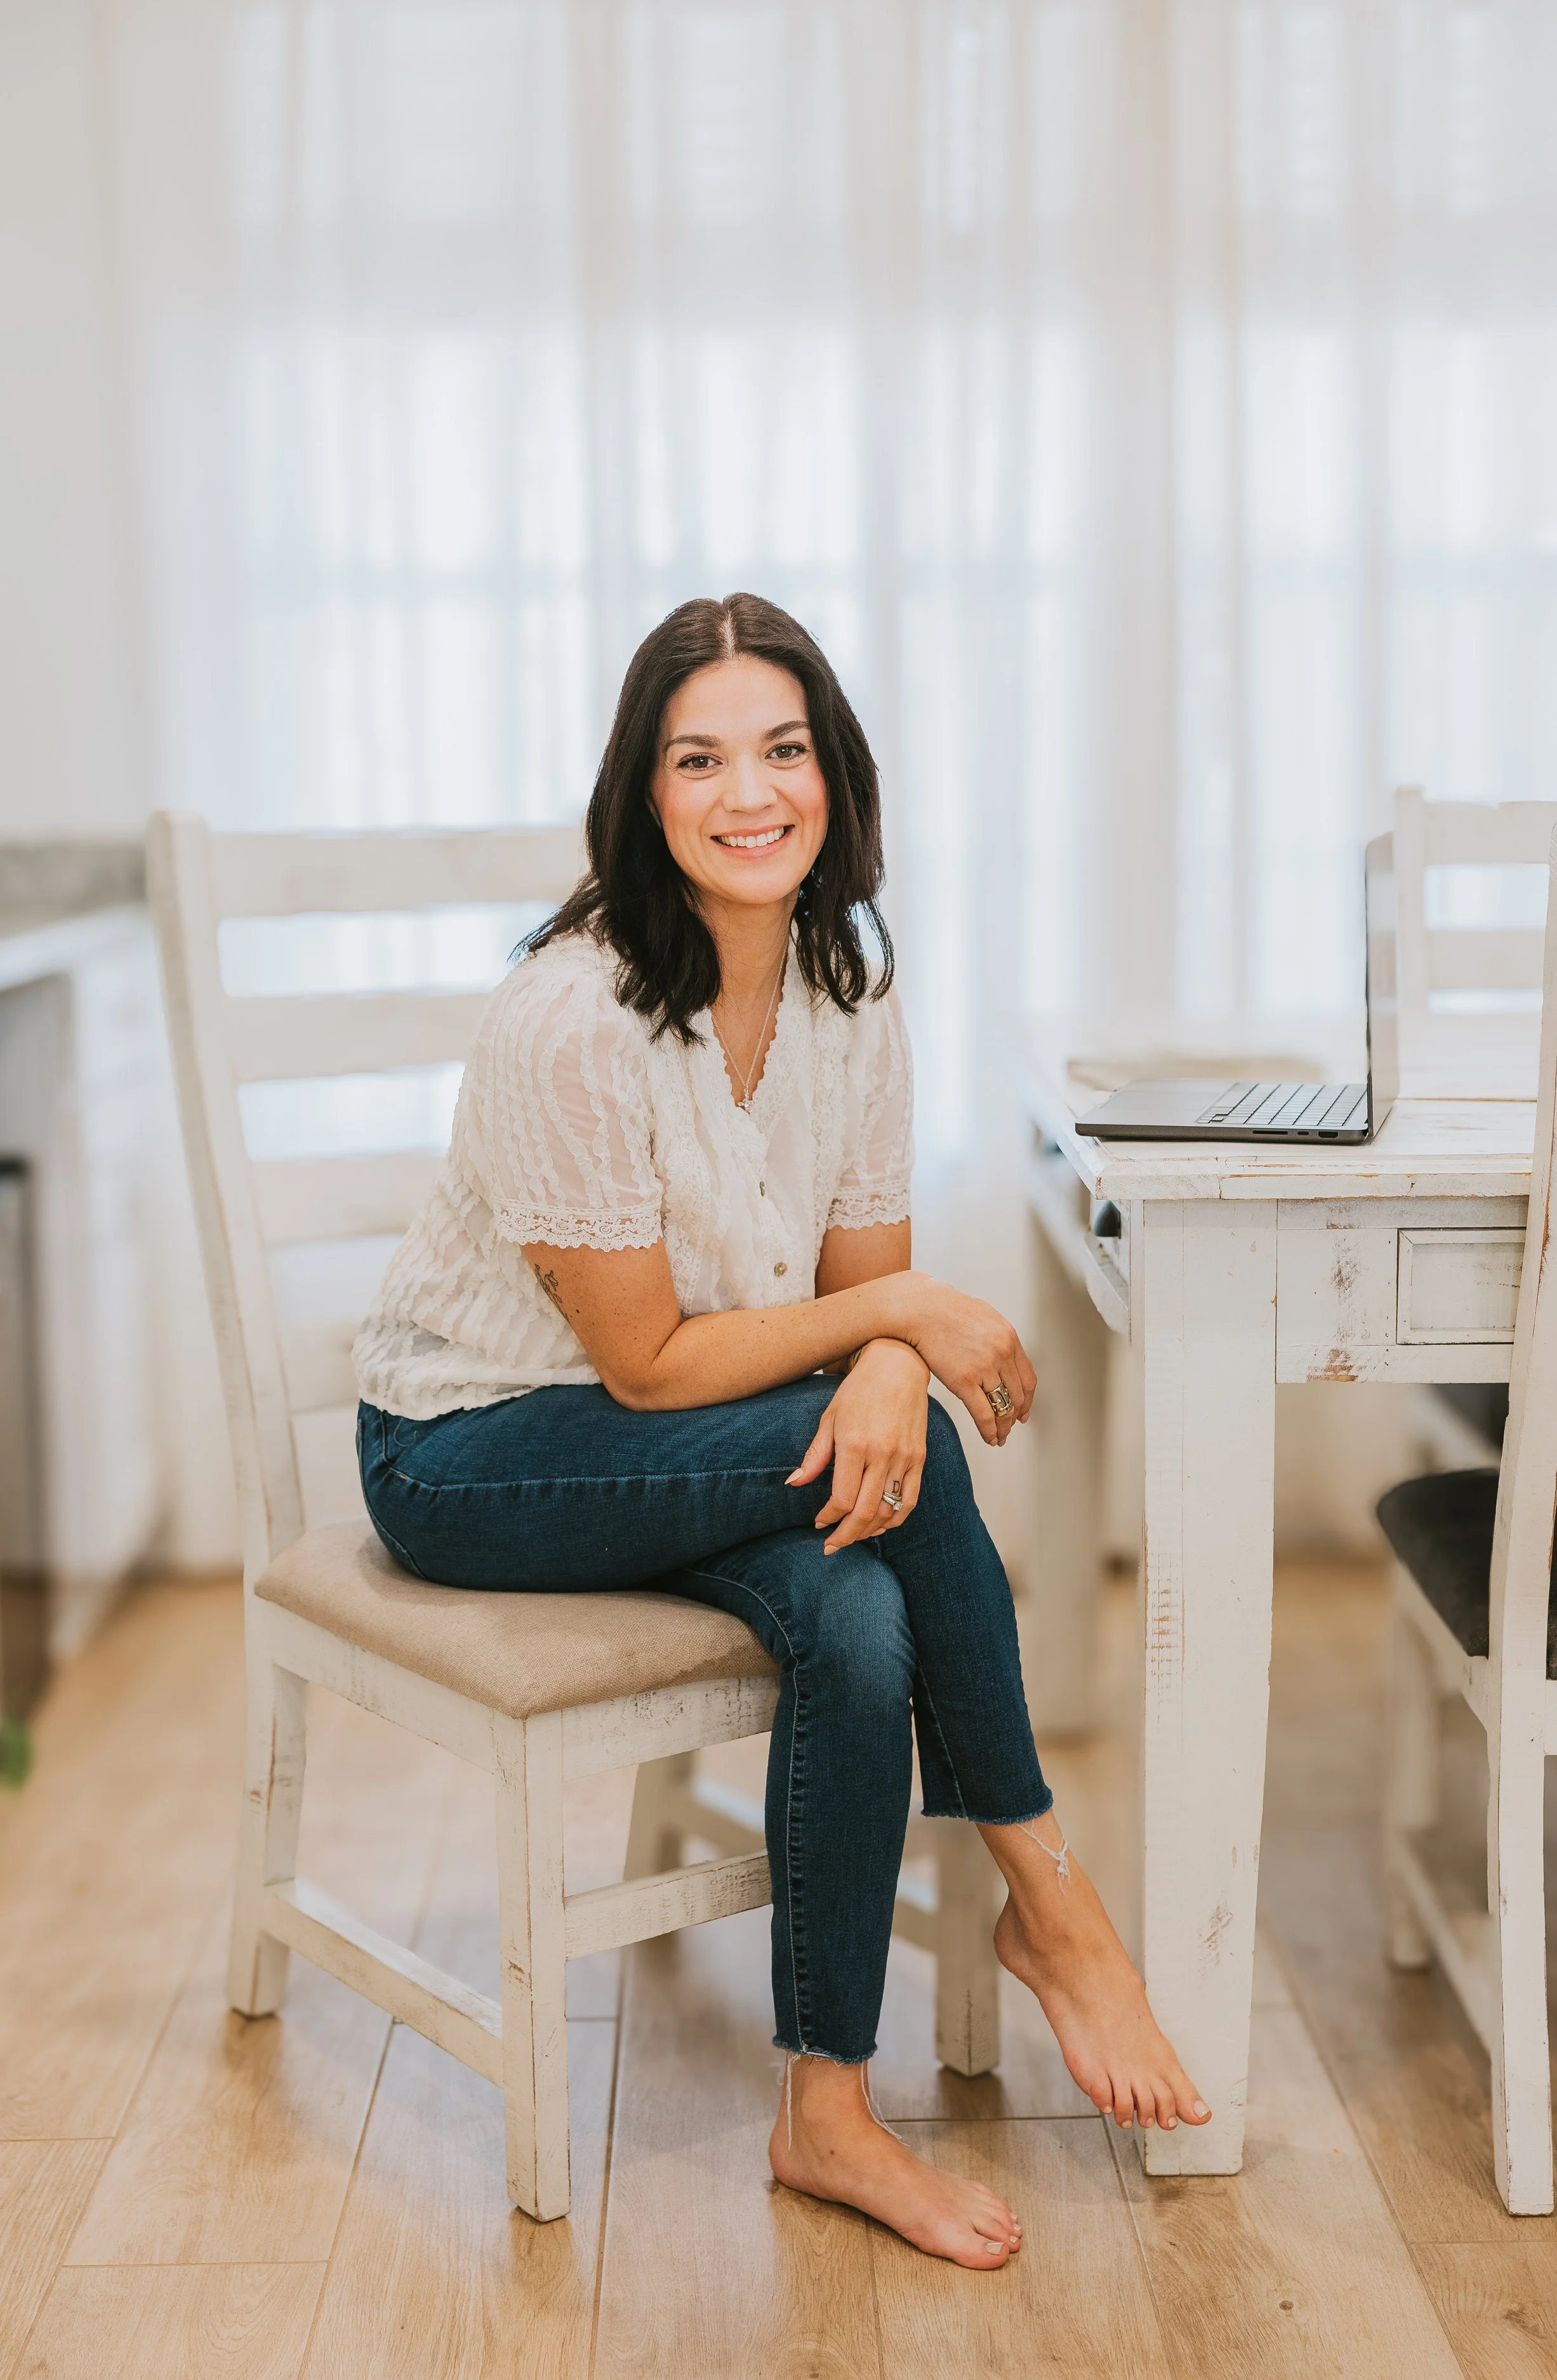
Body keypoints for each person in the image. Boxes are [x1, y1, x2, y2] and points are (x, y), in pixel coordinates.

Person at [352, 592, 1208, 2268]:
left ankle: (824, 2107)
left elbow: (857, 1292)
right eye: (698, 757)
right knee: (921, 1466)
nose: (749, 791)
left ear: (834, 774)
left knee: (852, 1600)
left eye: (782, 748)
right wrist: (897, 1334)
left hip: (704, 1416)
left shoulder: (846, 980)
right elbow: (656, 1364)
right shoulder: (568, 1020)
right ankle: (1050, 1894)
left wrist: (891, 1339)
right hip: (472, 1450)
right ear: (643, 793)